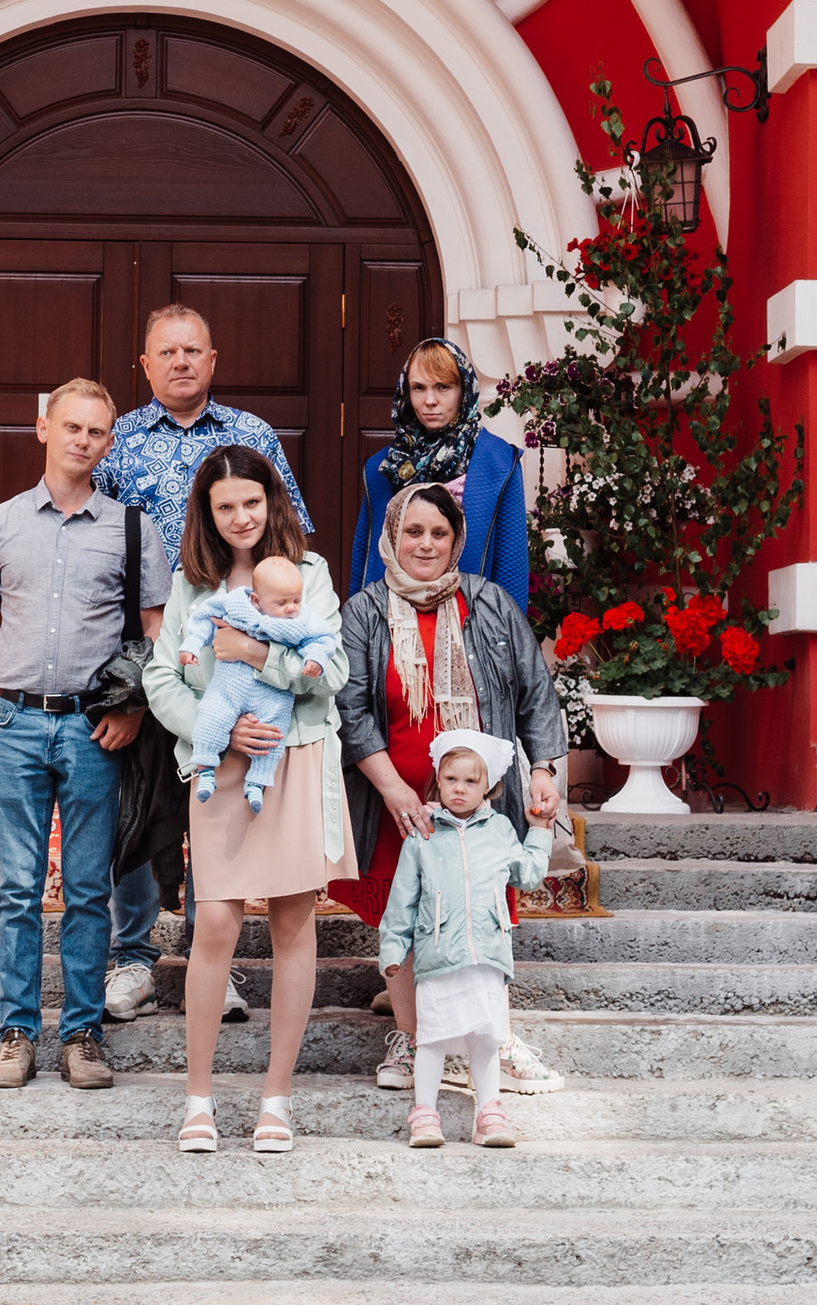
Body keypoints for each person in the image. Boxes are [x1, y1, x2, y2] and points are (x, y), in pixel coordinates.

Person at [98, 303, 313, 1026]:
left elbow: (290, 537)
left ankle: (206, 963)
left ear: (214, 360)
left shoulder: (249, 436)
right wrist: (129, 679)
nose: (182, 362)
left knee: (217, 807)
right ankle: (132, 959)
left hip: (240, 661)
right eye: (168, 352)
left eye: (194, 350)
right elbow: (100, 551)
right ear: (146, 364)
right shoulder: (121, 441)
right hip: (149, 658)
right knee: (140, 807)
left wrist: (273, 642)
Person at [0, 378, 171, 1092]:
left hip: (93, 729)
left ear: (109, 441)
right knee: (17, 888)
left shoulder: (132, 529)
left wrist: (135, 708)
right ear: (43, 427)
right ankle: (16, 1032)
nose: (84, 440)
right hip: (17, 722)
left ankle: (82, 1034)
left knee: (87, 888)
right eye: (73, 426)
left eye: (98, 431)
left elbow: (156, 634)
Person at [333, 482, 568, 1098]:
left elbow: (534, 691)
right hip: (397, 798)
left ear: (457, 539)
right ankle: (415, 1042)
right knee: (405, 919)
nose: (427, 544)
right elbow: (350, 706)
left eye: (440, 533)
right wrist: (393, 790)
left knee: (482, 911)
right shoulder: (363, 610)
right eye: (413, 532)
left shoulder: (490, 603)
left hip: (480, 799)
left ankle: (496, 1038)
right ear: (392, 537)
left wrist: (543, 768)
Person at [143, 446, 347, 1153]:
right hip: (220, 765)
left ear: (273, 502)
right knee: (216, 924)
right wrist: (225, 731)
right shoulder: (191, 586)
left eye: (251, 503)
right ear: (208, 511)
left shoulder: (310, 574)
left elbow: (334, 670)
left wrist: (255, 654)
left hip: (293, 759)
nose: (240, 518)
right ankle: (197, 1099)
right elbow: (161, 680)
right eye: (225, 506)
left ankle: (276, 1099)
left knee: (294, 923)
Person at [379, 730, 555, 1149]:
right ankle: (424, 1114)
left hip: (488, 955)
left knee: (486, 1038)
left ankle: (489, 1113)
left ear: (488, 786)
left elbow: (528, 875)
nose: (460, 788)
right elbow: (402, 900)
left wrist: (540, 831)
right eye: (451, 779)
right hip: (438, 954)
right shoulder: (423, 836)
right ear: (438, 780)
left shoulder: (500, 832)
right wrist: (392, 949)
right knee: (432, 1038)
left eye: (470, 781)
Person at [350, 335, 528, 606]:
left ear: (464, 390)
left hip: (471, 625)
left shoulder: (498, 464)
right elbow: (365, 566)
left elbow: (511, 568)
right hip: (393, 623)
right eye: (418, 388)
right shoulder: (384, 468)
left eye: (443, 387)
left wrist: (505, 639)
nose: (429, 400)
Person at [179, 555, 341, 809]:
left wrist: (315, 659)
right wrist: (192, 646)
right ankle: (206, 770)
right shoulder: (236, 605)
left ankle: (257, 783)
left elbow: (322, 639)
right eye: (282, 602)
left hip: (272, 694)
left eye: (296, 600)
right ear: (256, 600)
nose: (291, 608)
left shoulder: (300, 620)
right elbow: (203, 619)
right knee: (212, 716)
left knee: (271, 736)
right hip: (228, 687)